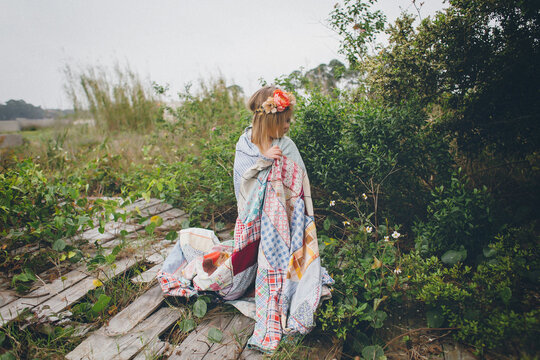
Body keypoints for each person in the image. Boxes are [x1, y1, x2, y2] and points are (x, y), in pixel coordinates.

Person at [158, 86, 333, 353]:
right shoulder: (245, 143)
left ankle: (276, 283)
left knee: (281, 265)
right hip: (253, 222)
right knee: (234, 280)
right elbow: (242, 183)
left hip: (282, 225)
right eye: (285, 120)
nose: (289, 125)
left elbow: (298, 186)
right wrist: (263, 162)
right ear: (271, 119)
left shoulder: (286, 146)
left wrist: (277, 167)